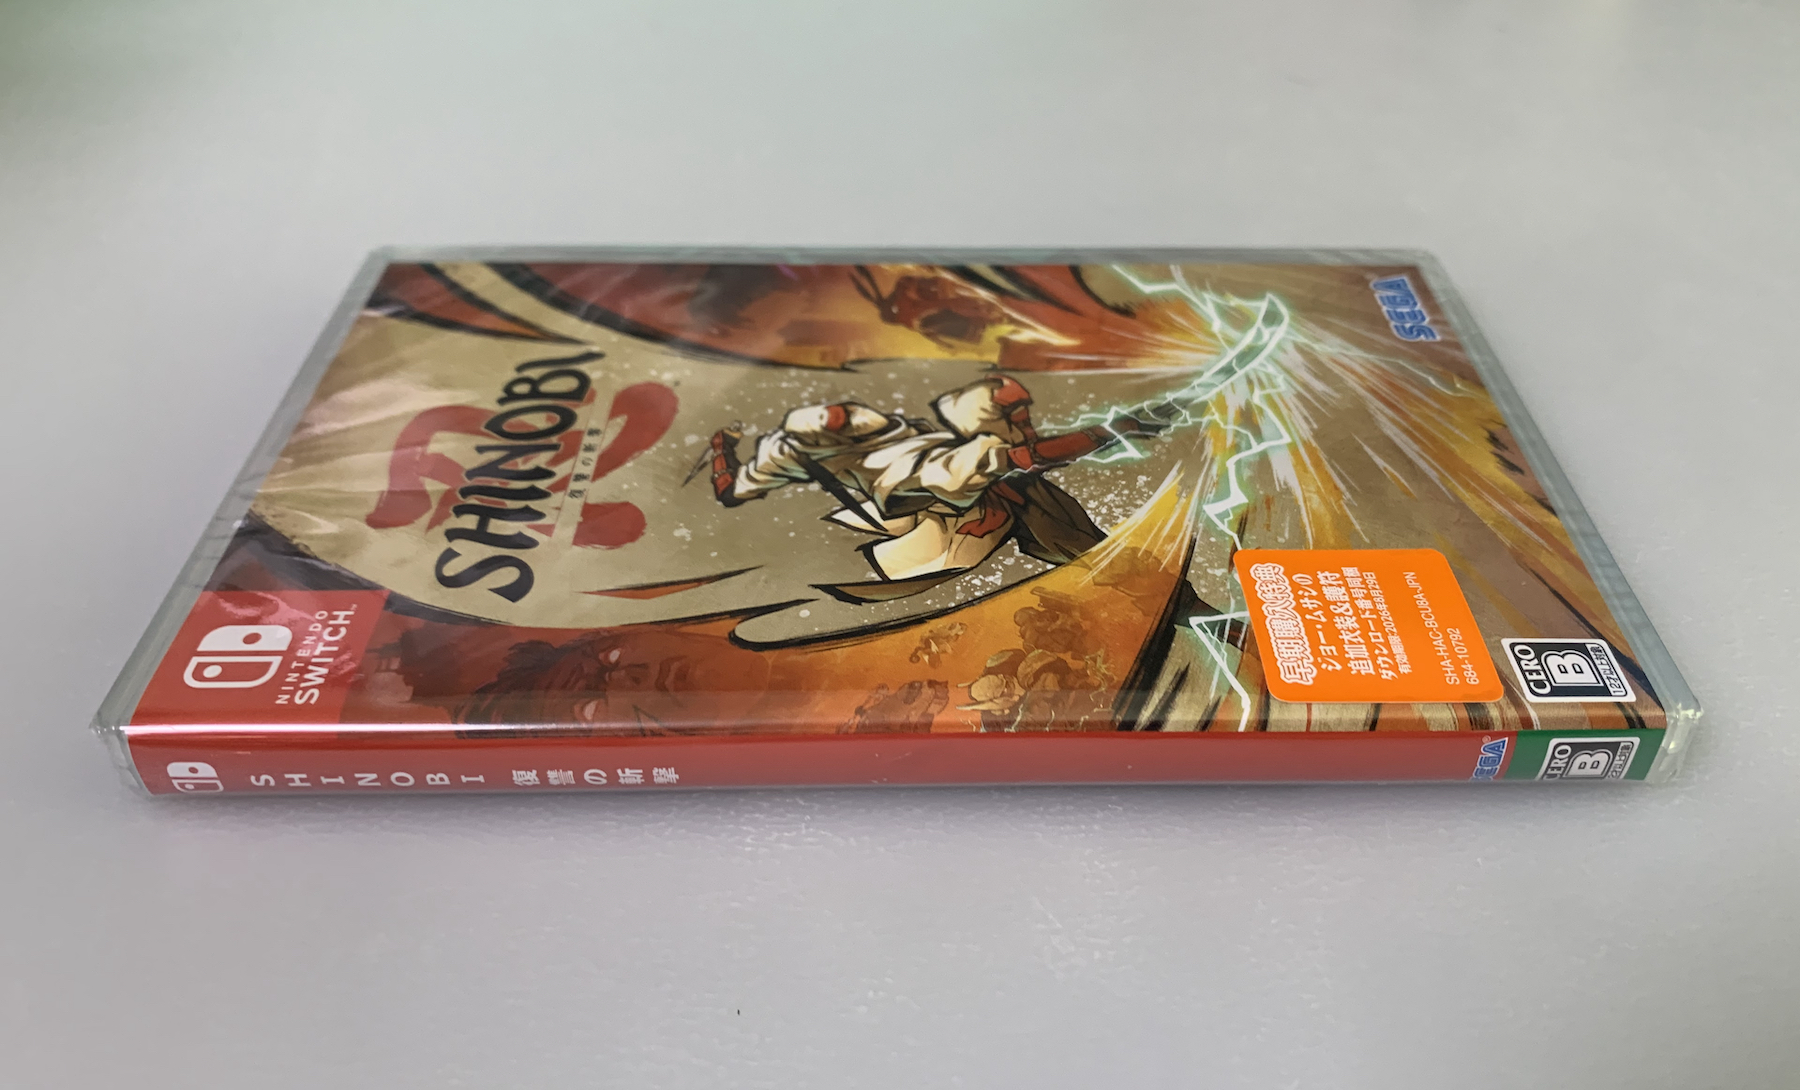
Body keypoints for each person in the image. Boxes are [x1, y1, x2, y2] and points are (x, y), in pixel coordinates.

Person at [700, 376, 1170, 601]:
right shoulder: (935, 466)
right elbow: (1028, 456)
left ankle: (1152, 592)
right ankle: (1155, 596)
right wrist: (1115, 430)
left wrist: (725, 450)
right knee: (1091, 552)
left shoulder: (869, 426)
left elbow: (731, 487)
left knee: (1090, 548)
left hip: (964, 487)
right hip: (960, 501)